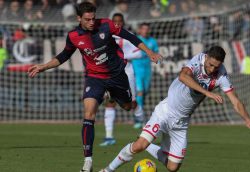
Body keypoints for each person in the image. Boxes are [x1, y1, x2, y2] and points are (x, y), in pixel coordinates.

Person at [27, 2, 162, 172]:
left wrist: (149, 52)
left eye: (93, 18)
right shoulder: (74, 36)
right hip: (94, 78)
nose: (92, 22)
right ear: (79, 18)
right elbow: (63, 56)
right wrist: (42, 66)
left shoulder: (106, 25)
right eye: (87, 19)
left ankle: (112, 95)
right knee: (89, 113)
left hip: (116, 76)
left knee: (128, 106)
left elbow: (131, 37)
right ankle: (88, 160)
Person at [99, 46, 250, 172]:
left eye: (216, 66)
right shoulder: (198, 60)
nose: (213, 69)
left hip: (181, 122)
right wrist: (207, 92)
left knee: (172, 167)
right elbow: (183, 76)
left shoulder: (221, 75)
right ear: (206, 57)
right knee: (138, 146)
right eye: (211, 64)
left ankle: (149, 145)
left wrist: (247, 119)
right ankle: (108, 169)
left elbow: (235, 100)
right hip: (165, 112)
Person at [99, 13, 142, 147]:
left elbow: (139, 53)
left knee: (132, 103)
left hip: (127, 72)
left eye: (119, 21)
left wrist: (122, 55)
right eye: (115, 21)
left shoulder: (127, 36)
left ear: (123, 22)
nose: (117, 24)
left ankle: (143, 123)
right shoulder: (105, 35)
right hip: (110, 74)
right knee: (109, 102)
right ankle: (109, 136)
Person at [132, 23, 159, 129]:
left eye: (147, 29)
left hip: (147, 70)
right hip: (136, 69)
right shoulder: (135, 40)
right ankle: (139, 119)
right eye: (143, 29)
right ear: (140, 30)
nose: (146, 31)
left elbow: (156, 54)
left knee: (144, 93)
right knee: (140, 92)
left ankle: (139, 113)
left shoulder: (152, 41)